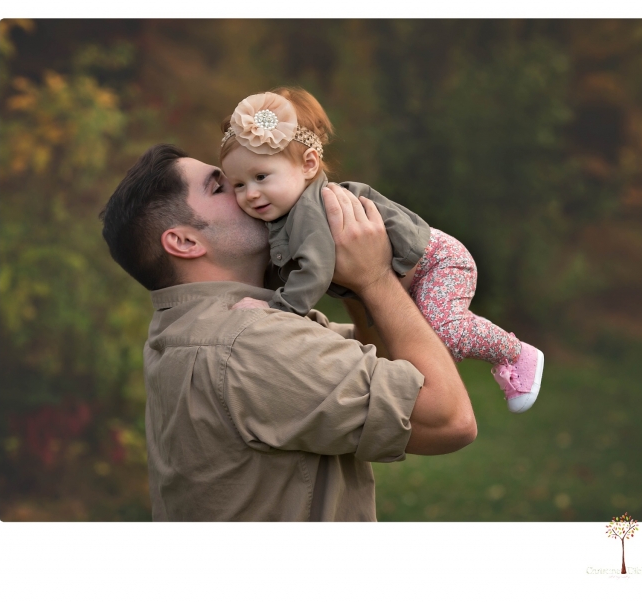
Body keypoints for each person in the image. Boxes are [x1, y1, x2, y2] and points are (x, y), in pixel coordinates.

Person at [99, 143, 476, 521]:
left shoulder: (182, 326)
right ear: (185, 242)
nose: (247, 189)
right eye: (222, 187)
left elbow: (382, 363)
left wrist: (344, 270)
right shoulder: (250, 343)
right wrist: (375, 277)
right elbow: (449, 420)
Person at [219, 87, 544, 413]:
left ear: (308, 165)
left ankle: (516, 353)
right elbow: (283, 270)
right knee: (420, 338)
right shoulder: (285, 215)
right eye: (239, 185)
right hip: (418, 268)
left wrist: (277, 310)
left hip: (436, 261)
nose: (251, 194)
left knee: (444, 331)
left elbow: (314, 270)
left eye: (261, 177)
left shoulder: (311, 209)